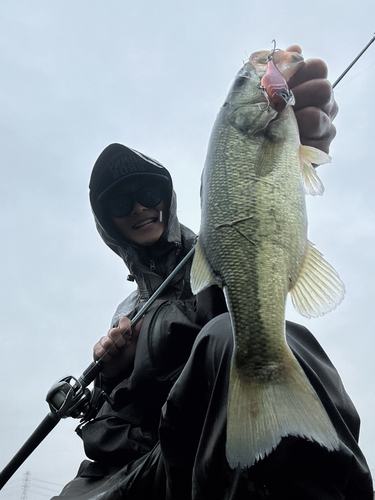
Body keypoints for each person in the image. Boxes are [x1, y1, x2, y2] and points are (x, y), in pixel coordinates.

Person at [53, 48, 373, 499]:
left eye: (148, 190)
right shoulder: (126, 311)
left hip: (195, 450)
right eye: (120, 203)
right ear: (107, 223)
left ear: (167, 196)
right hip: (113, 472)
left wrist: (295, 145)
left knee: (240, 336)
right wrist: (113, 373)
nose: (141, 207)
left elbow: (230, 291)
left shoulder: (205, 254)